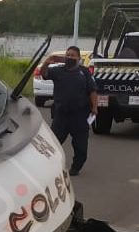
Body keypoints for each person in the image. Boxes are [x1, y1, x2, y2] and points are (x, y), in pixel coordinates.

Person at [40, 46, 97, 176]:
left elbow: (92, 91)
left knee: (81, 146)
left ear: (78, 58)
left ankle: (76, 167)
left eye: (72, 55)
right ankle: (49, 167)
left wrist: (95, 107)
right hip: (61, 115)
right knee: (53, 144)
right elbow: (44, 74)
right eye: (68, 55)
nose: (69, 57)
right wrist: (47, 62)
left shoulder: (84, 72)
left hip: (80, 116)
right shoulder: (58, 71)